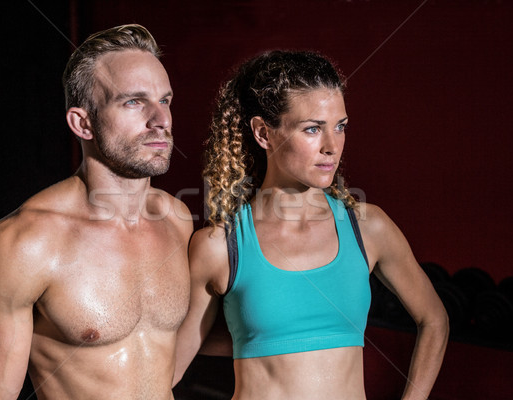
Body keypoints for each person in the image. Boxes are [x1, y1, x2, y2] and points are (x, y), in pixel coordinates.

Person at [174, 50, 449, 399]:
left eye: (340, 127)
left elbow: (434, 320)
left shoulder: (369, 229)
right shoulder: (220, 246)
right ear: (263, 133)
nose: (331, 147)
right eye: (312, 129)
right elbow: (168, 368)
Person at [0, 24, 192, 400]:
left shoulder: (177, 220)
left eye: (164, 100)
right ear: (82, 123)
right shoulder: (25, 242)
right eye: (134, 101)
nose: (160, 119)